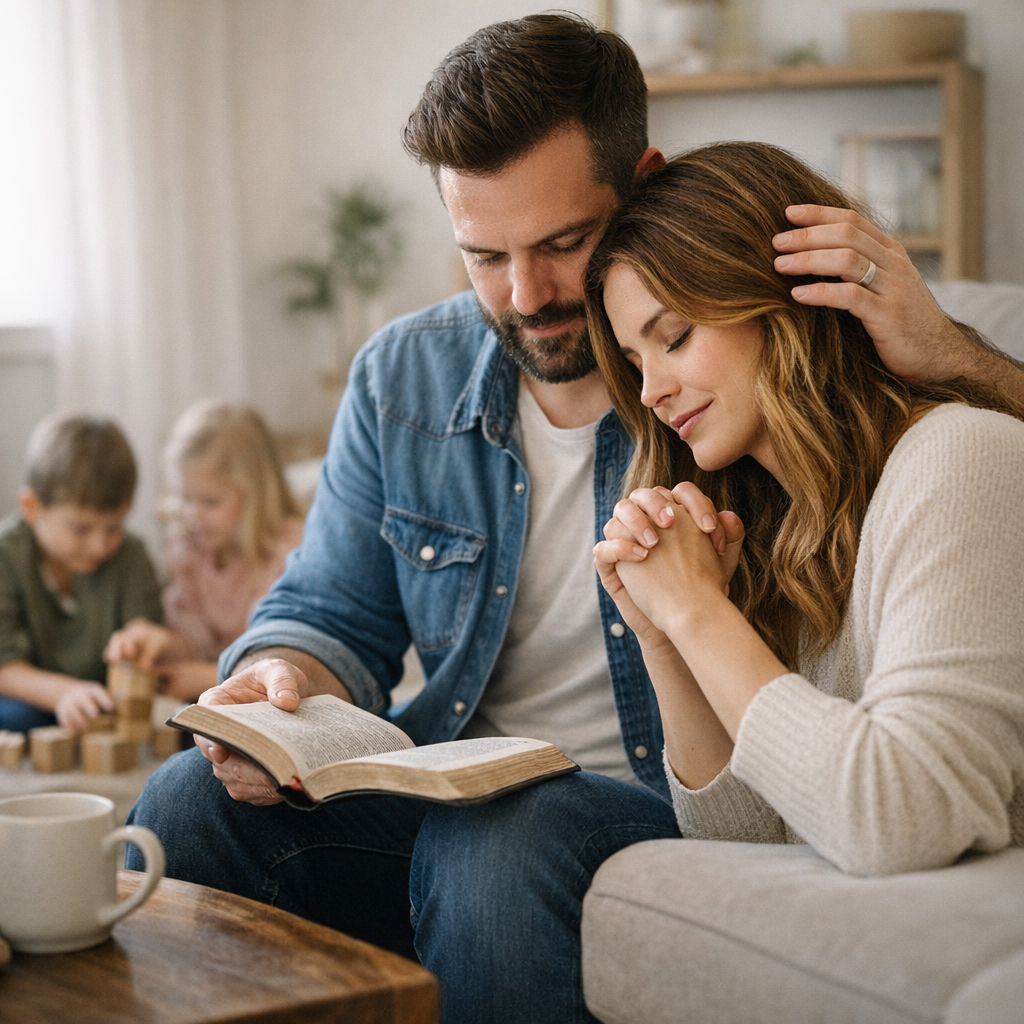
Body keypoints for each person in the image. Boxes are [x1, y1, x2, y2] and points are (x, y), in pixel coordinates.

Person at [126, 15, 1024, 1023]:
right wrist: (282, 679)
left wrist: (960, 356)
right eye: (482, 256)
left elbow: (923, 454)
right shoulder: (405, 375)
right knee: (179, 802)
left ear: (641, 182)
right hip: (456, 783)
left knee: (501, 838)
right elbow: (330, 602)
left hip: (614, 807)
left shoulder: (754, 396)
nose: (526, 295)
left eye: (561, 244)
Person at [587, 141, 1024, 875]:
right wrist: (665, 637)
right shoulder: (774, 530)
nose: (651, 392)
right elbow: (743, 845)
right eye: (636, 363)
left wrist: (698, 612)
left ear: (784, 299)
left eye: (675, 338)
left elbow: (900, 821)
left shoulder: (964, 459)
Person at [104, 401, 304, 701]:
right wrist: (164, 643)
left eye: (210, 502)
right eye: (185, 498)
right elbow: (196, 641)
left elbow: (289, 659)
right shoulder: (190, 550)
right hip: (215, 697)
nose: (192, 515)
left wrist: (208, 677)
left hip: (272, 697)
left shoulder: (288, 555)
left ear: (257, 496)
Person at [0, 414, 163, 734]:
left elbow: (150, 637)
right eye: (81, 529)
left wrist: (144, 641)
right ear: (32, 508)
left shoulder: (131, 555)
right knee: (17, 718)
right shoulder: (7, 556)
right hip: (31, 696)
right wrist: (62, 694)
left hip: (103, 698)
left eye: (114, 527)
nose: (100, 545)